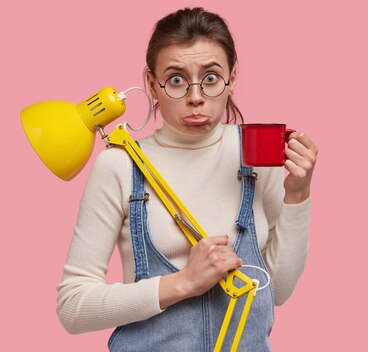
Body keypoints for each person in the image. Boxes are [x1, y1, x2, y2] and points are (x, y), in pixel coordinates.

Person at [56, 7, 316, 351]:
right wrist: (183, 283)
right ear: (152, 84)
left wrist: (298, 194)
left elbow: (277, 291)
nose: (195, 97)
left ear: (233, 77)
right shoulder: (119, 166)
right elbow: (73, 307)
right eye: (177, 79)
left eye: (210, 78)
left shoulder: (257, 156)